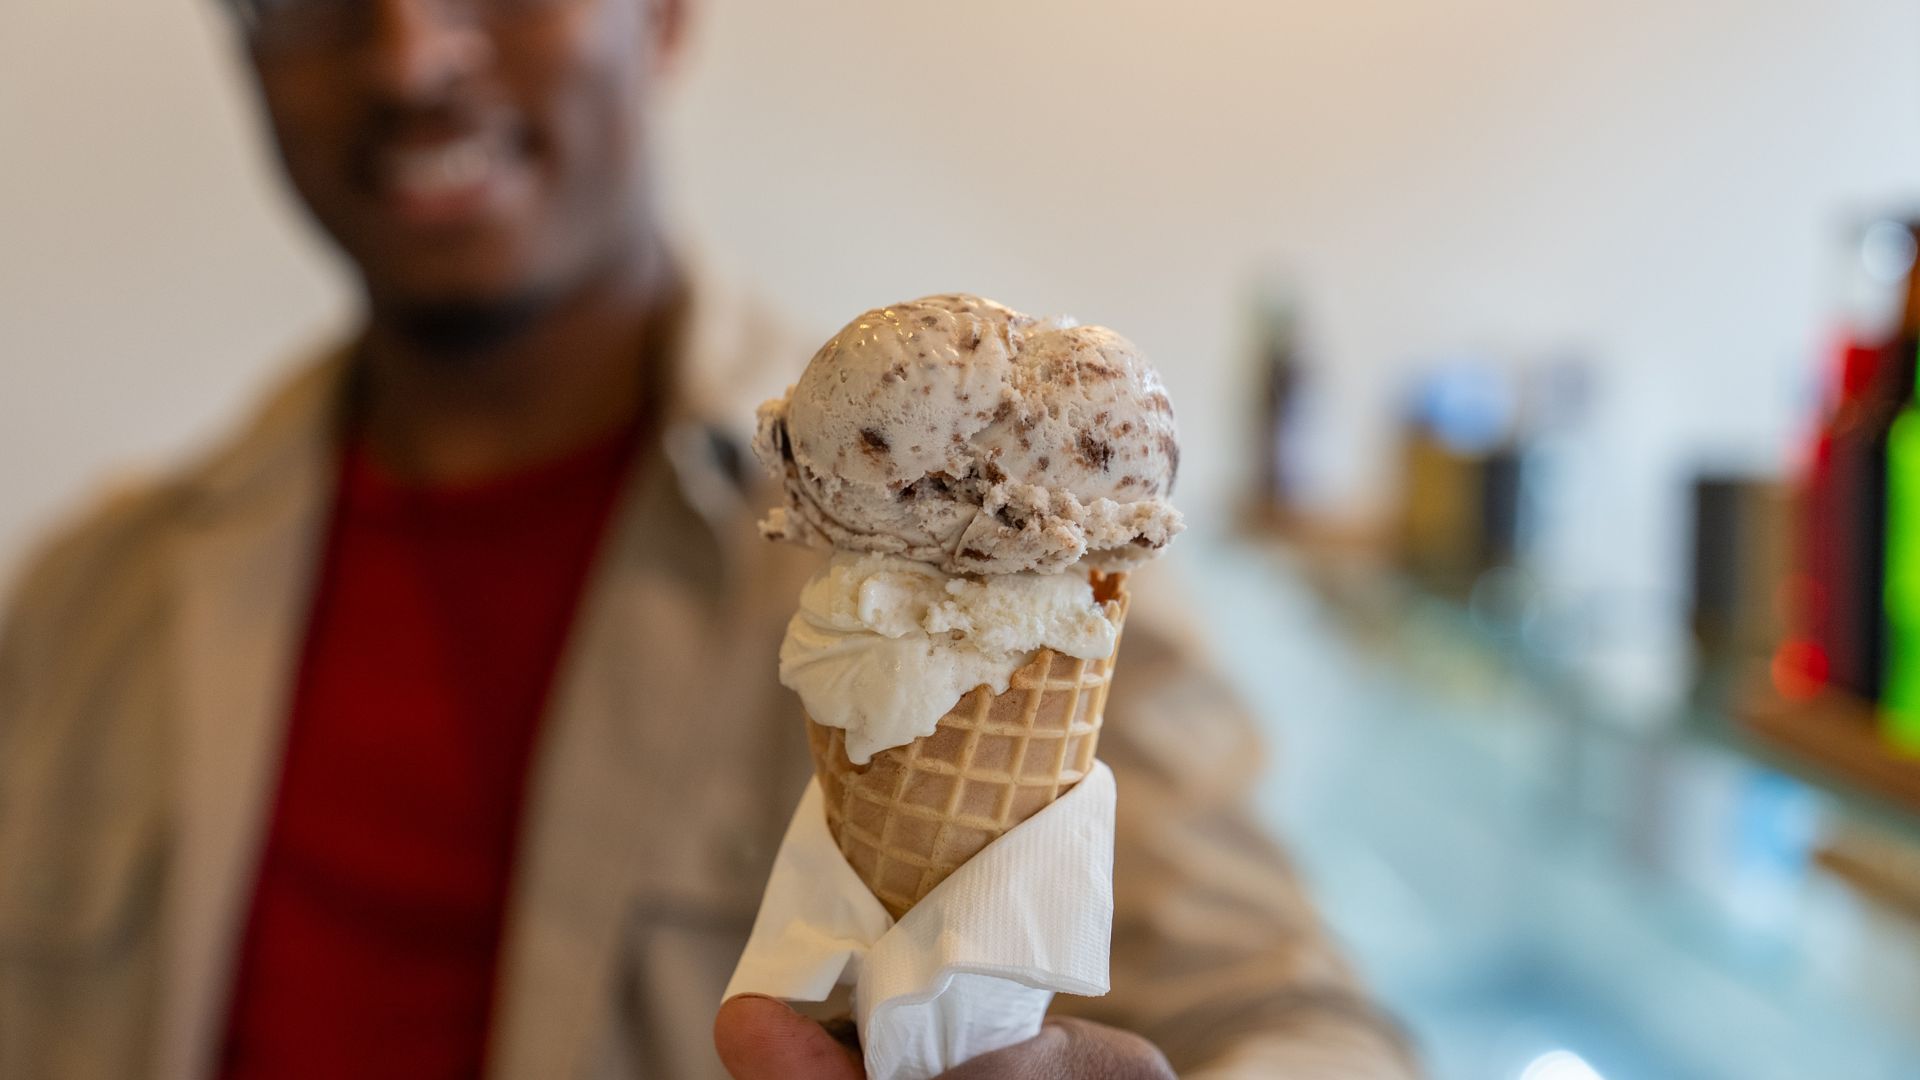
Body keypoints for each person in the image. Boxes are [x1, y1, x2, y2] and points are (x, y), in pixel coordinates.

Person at [0, 0, 1420, 1077]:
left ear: (666, 14)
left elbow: (1288, 1018)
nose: (407, 54)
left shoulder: (989, 562)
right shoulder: (85, 605)